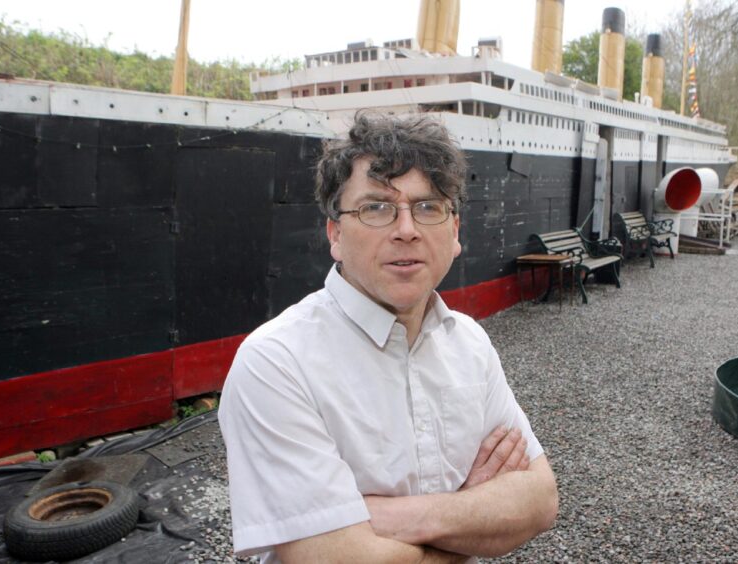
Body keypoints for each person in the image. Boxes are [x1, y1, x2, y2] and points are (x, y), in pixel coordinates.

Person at [218, 112, 558, 563]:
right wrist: (471, 516)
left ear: (454, 231)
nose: (407, 229)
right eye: (376, 208)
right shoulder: (277, 363)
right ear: (336, 234)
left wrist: (383, 519)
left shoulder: (470, 345)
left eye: (428, 207)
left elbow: (538, 500)